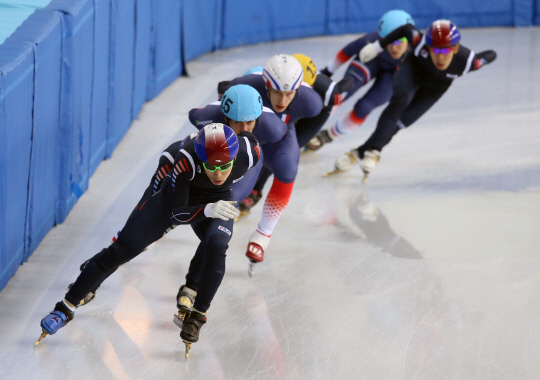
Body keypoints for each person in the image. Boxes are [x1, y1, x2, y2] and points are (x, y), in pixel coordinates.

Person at [36, 123, 261, 359]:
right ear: (200, 159)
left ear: (235, 159)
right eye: (210, 166)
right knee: (122, 249)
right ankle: (64, 308)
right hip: (176, 200)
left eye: (224, 166)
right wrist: (207, 209)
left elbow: (251, 137)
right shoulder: (184, 159)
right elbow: (176, 214)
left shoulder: (247, 153)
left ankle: (197, 315)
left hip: (219, 199)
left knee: (216, 245)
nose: (217, 174)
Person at [331, 19, 497, 180]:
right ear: (428, 47)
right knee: (400, 99)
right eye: (435, 50)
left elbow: (491, 55)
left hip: (436, 87)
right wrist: (377, 47)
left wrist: (484, 56)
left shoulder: (469, 62)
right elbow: (406, 28)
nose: (440, 57)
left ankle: (358, 153)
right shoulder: (419, 42)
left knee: (403, 122)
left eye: (445, 51)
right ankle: (374, 151)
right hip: (413, 69)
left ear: (455, 49)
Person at [218, 55, 323, 272]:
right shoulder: (245, 85)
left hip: (278, 138)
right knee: (225, 181)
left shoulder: (311, 102)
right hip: (248, 135)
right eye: (276, 93)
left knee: (287, 168)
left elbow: (318, 114)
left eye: (289, 94)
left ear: (298, 90)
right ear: (266, 86)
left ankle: (263, 235)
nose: (282, 101)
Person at [305, 10, 414, 151]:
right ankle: (308, 124)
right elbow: (347, 51)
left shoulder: (417, 53)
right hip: (371, 61)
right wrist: (328, 71)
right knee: (340, 94)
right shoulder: (373, 39)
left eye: (399, 41)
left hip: (394, 74)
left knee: (364, 108)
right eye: (388, 40)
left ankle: (328, 136)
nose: (393, 47)